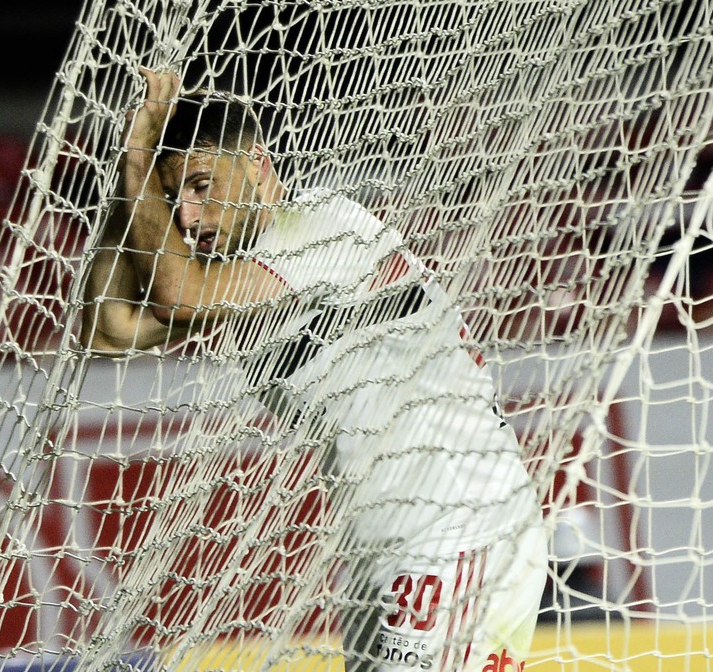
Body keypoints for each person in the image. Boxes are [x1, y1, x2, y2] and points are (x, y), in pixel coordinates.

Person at [82, 67, 548, 672]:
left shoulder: (324, 226)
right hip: (374, 557)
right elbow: (108, 327)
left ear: (256, 164)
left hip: (463, 530)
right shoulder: (238, 283)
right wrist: (135, 181)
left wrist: (141, 155)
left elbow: (173, 292)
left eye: (200, 186)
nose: (189, 218)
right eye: (175, 203)